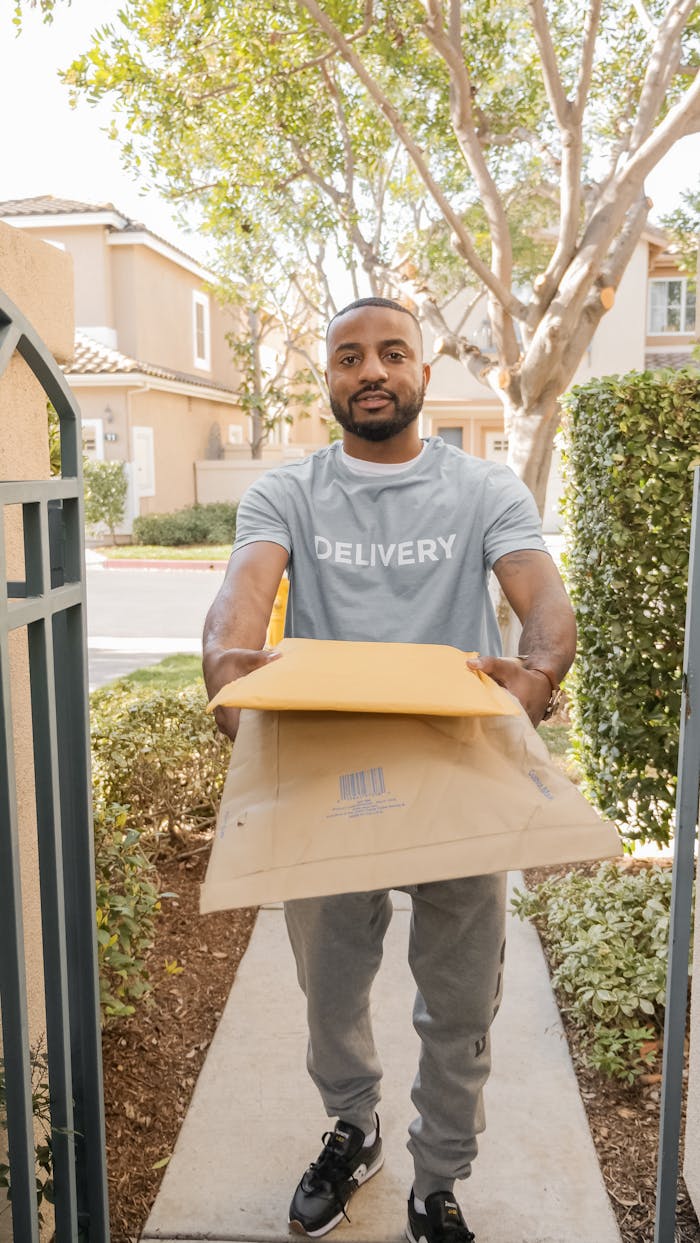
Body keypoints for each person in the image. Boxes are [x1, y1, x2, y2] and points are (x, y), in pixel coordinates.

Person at [202, 296, 576, 1243]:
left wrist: (535, 674)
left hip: (455, 768)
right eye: (348, 356)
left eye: (392, 353)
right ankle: (354, 1127)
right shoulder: (286, 491)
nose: (371, 370)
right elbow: (242, 596)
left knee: (458, 1000)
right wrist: (225, 673)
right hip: (329, 772)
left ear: (421, 374)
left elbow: (542, 598)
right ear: (328, 378)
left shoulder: (485, 489)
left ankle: (438, 1177)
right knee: (331, 988)